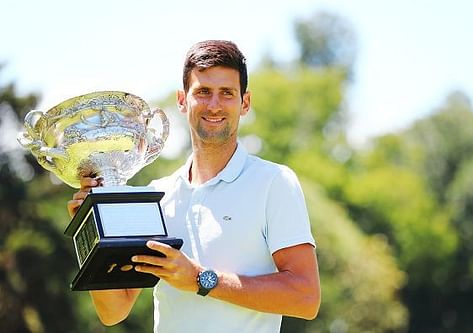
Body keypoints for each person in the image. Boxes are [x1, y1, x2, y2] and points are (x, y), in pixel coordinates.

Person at [67, 40, 320, 332]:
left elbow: (306, 297)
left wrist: (200, 279)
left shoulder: (274, 182)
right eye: (203, 92)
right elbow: (114, 311)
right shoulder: (155, 196)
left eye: (226, 93)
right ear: (182, 100)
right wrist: (91, 226)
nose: (214, 105)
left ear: (245, 103)